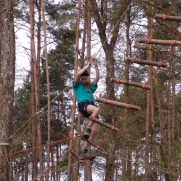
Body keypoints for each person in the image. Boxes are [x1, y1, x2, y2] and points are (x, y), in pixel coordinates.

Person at [72, 59, 100, 160]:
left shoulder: (89, 87)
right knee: (97, 109)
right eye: (82, 79)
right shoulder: (76, 86)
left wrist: (96, 66)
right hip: (84, 105)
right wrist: (87, 67)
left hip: (91, 108)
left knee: (95, 131)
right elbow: (78, 74)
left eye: (85, 79)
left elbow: (97, 78)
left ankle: (84, 149)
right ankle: (88, 128)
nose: (84, 81)